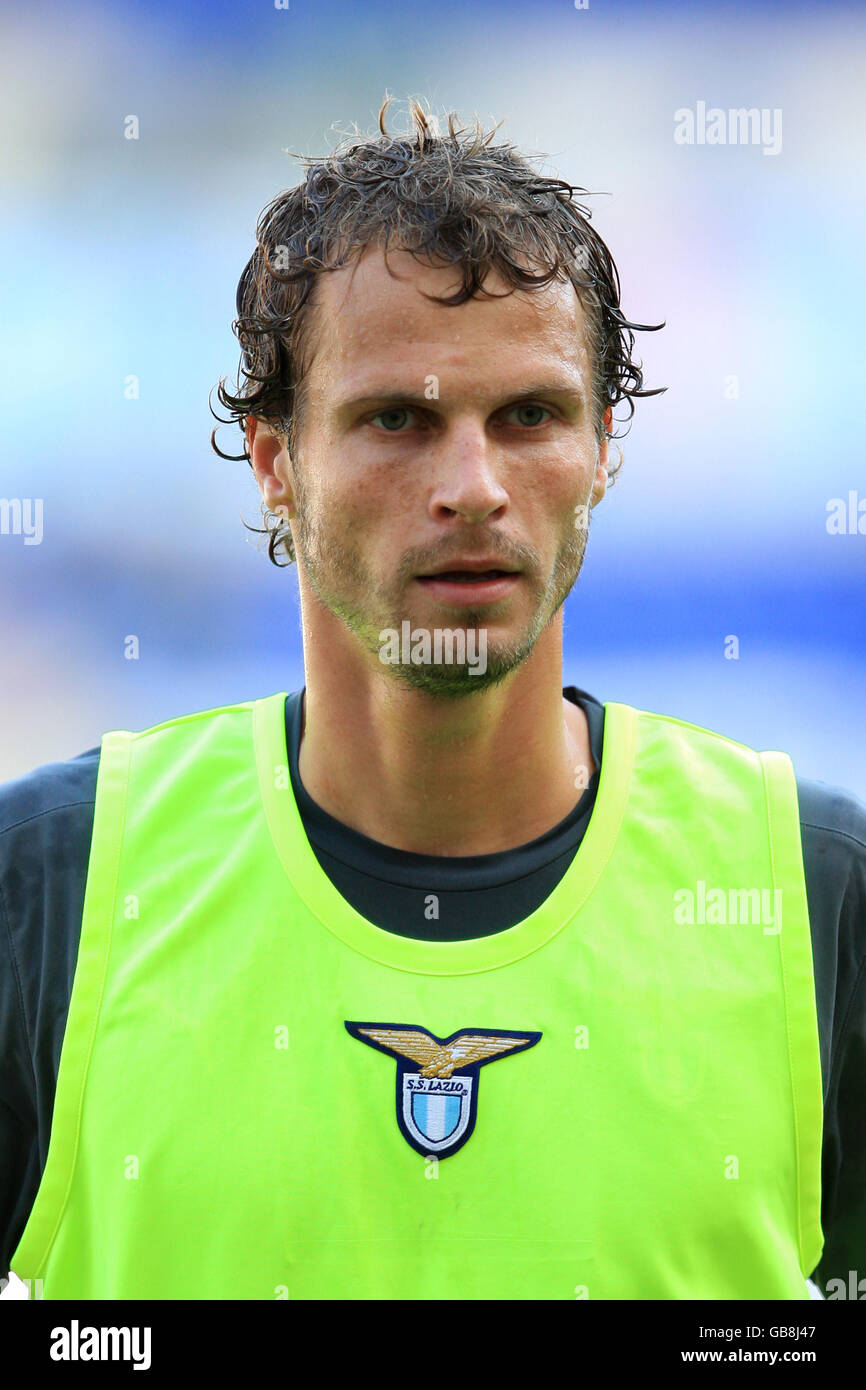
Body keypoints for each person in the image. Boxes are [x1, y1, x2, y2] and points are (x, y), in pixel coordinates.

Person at [2, 97, 864, 1301]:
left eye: (528, 417)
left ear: (603, 447)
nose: (472, 487)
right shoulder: (54, 883)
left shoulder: (815, 891)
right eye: (396, 420)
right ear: (273, 457)